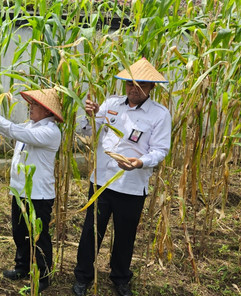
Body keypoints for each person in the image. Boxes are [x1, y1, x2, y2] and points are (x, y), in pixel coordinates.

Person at [72, 58, 171, 296]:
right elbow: (86, 131)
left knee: (125, 235)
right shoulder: (111, 104)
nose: (134, 89)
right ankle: (83, 277)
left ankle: (120, 278)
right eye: (130, 84)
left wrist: (139, 162)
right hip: (101, 181)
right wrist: (90, 116)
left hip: (132, 185)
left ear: (151, 88)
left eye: (141, 85)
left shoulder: (159, 115)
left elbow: (160, 150)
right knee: (91, 231)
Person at [0, 88, 63, 294]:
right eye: (31, 103)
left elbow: (15, 131)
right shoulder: (30, 125)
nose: (30, 107)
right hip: (20, 191)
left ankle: (44, 275)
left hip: (38, 194)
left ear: (48, 111)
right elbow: (15, 131)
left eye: (36, 105)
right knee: (20, 232)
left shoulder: (50, 131)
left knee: (39, 236)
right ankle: (22, 267)